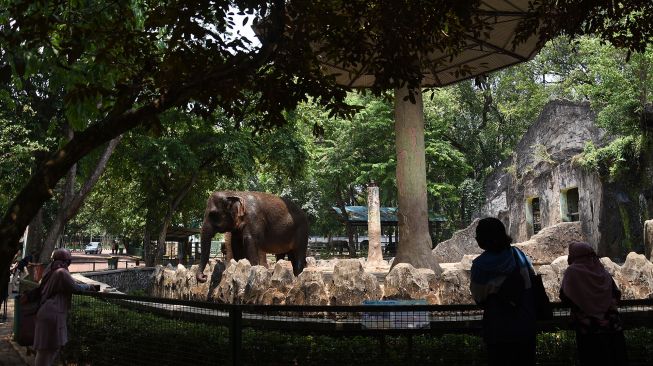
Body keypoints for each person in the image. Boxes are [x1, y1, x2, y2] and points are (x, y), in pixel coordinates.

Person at [470, 217, 537, 366]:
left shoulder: (480, 266)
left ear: (483, 238)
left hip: (498, 328)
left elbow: (479, 297)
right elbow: (532, 281)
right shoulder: (519, 256)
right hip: (525, 324)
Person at [560, 241, 628, 366]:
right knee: (614, 357)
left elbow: (564, 296)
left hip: (588, 327)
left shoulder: (572, 272)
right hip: (611, 326)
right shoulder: (602, 271)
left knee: (591, 358)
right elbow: (616, 293)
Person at [33, 249, 100, 366]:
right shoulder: (61, 273)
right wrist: (89, 287)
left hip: (46, 311)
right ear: (66, 261)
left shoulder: (50, 269)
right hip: (53, 313)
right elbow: (75, 287)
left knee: (45, 350)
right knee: (48, 350)